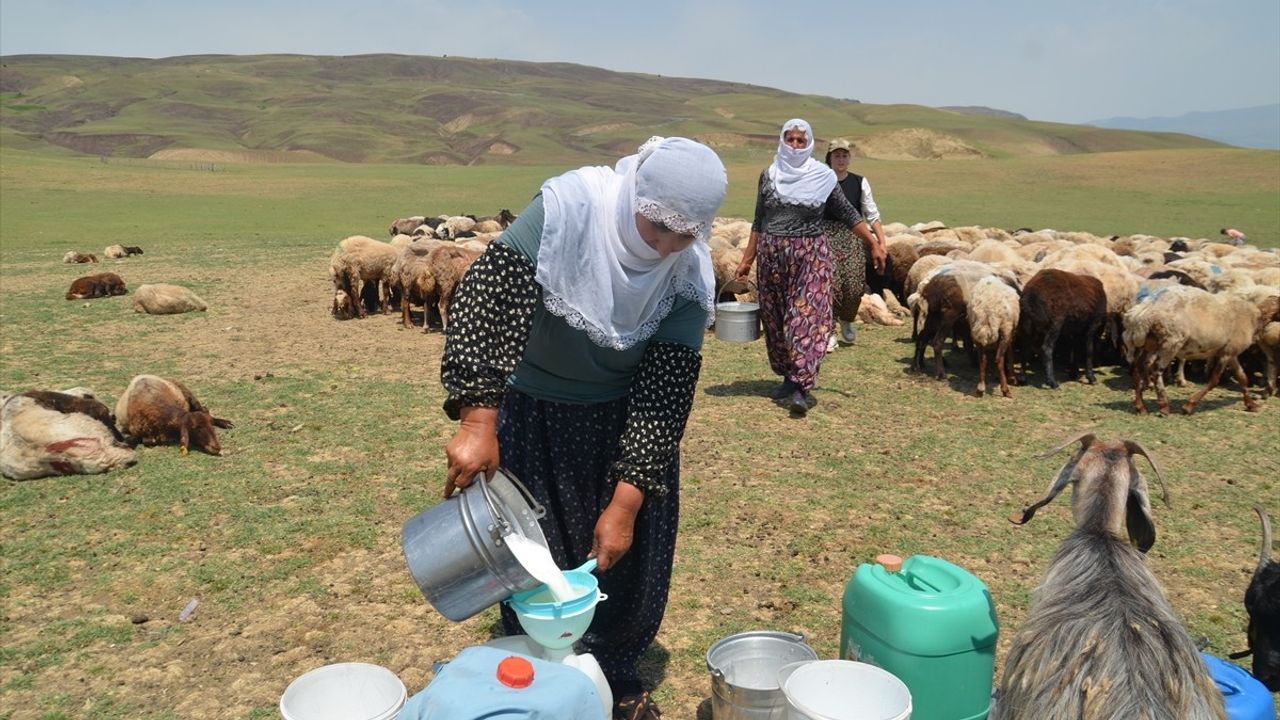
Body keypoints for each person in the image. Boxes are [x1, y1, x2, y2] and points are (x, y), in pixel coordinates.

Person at [439, 136, 728, 720]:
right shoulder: (569, 209)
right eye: (656, 227)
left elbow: (664, 396)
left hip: (625, 421)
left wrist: (625, 504)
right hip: (534, 409)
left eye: (684, 235)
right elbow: (486, 299)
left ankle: (611, 673)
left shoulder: (688, 275)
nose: (667, 245)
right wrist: (478, 417)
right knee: (529, 547)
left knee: (620, 558)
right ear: (636, 196)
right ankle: (536, 664)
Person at [735, 119, 877, 417]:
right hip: (772, 258)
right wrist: (747, 259)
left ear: (809, 142)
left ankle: (802, 386)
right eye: (790, 139)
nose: (796, 145)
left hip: (810, 257)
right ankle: (789, 376)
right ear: (782, 141)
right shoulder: (768, 176)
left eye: (801, 140)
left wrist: (874, 242)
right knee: (776, 322)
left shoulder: (823, 177)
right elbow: (759, 220)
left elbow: (849, 214)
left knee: (805, 319)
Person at [822, 138, 888, 350]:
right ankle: (828, 330)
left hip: (853, 237)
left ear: (849, 159)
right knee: (829, 286)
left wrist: (881, 243)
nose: (840, 159)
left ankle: (847, 318)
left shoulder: (860, 182)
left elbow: (872, 214)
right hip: (825, 236)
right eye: (836, 156)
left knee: (854, 287)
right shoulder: (819, 180)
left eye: (844, 155)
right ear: (829, 158)